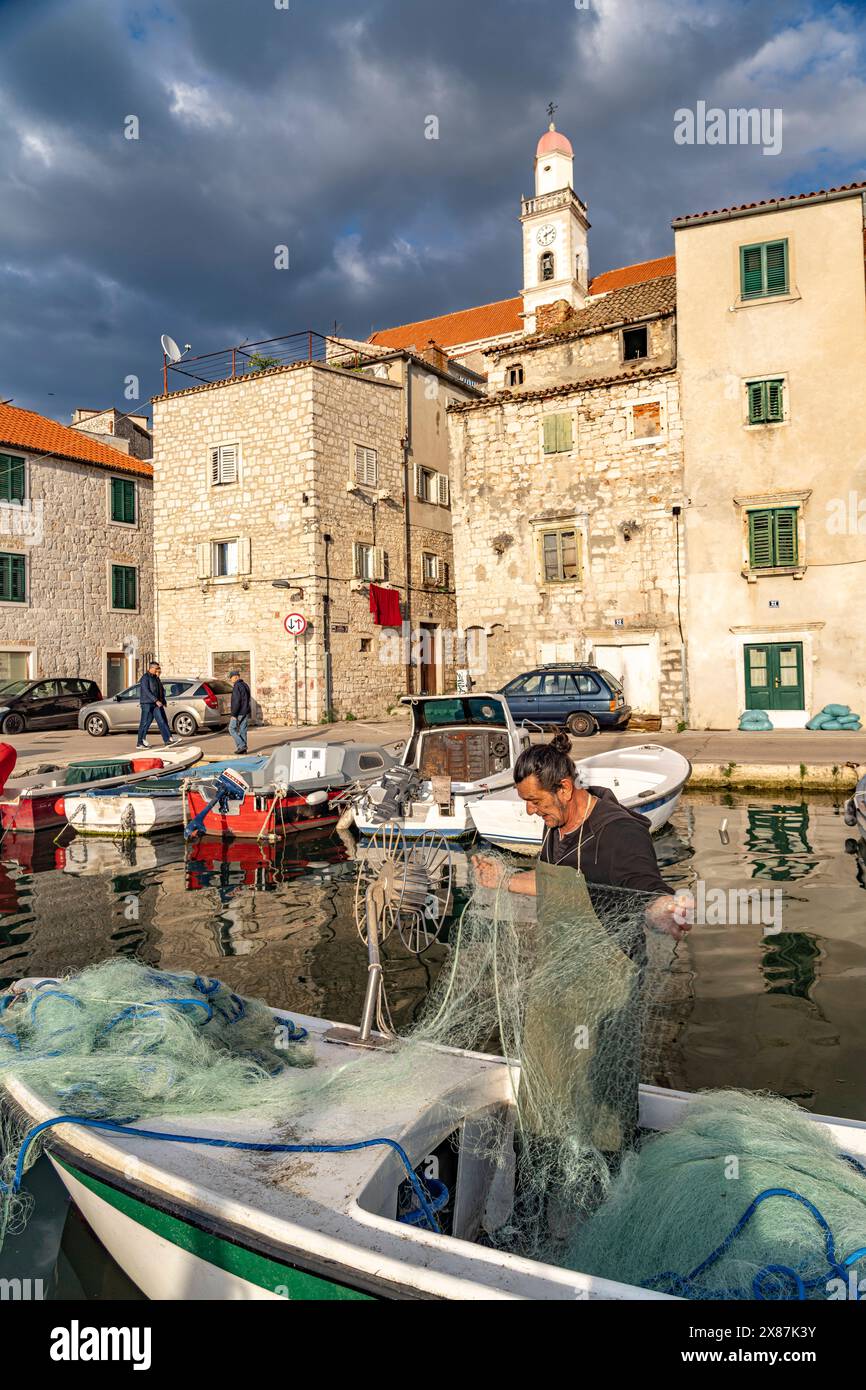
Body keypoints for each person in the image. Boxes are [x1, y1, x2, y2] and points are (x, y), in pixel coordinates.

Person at [473, 731, 693, 940]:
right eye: (526, 801)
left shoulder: (620, 832)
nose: (530, 810)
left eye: (535, 801)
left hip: (613, 970)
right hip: (564, 959)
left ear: (565, 789)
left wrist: (662, 909)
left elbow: (646, 886)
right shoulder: (555, 821)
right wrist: (504, 879)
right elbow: (556, 881)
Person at [136, 661, 177, 750]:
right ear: (152, 668)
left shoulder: (156, 678)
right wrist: (156, 700)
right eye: (157, 668)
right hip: (146, 703)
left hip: (155, 704)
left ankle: (167, 740)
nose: (158, 670)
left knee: (161, 720)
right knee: (144, 723)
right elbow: (146, 691)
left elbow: (160, 690)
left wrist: (163, 700)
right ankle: (140, 742)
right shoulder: (145, 678)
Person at [228, 669, 251, 754]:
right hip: (245, 711)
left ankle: (242, 746)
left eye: (231, 678)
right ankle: (243, 750)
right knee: (243, 730)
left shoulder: (237, 686)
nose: (231, 680)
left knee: (231, 729)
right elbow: (248, 698)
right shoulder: (245, 685)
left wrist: (234, 714)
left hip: (239, 712)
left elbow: (236, 701)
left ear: (235, 677)